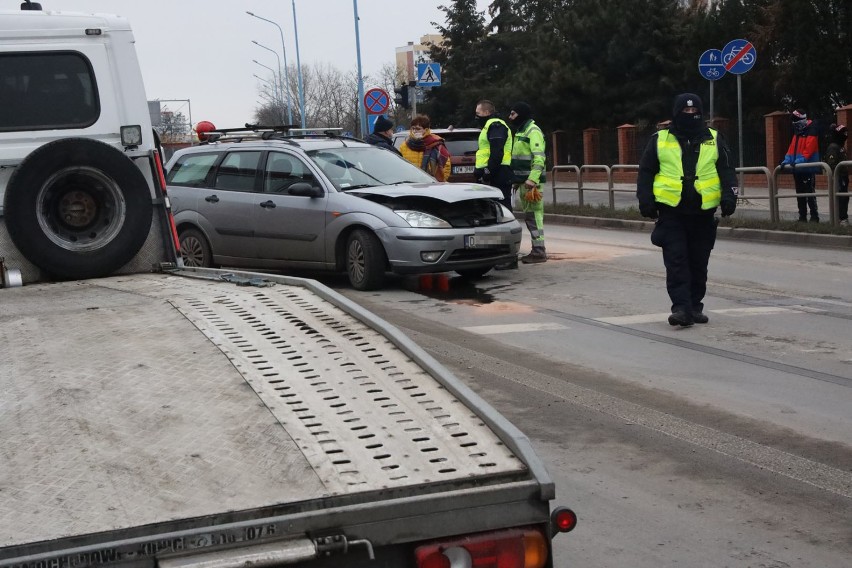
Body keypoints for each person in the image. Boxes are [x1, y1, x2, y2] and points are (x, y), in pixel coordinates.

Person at [636, 93, 738, 327]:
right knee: (677, 261)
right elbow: (646, 172)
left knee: (698, 262)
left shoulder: (714, 138)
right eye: (686, 111)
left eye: (695, 112)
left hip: (703, 213)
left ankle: (694, 306)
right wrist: (646, 200)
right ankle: (681, 308)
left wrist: (729, 197)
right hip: (672, 212)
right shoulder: (660, 139)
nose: (690, 115)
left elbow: (727, 171)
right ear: (676, 113)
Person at [509, 101, 547, 265]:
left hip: (532, 184)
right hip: (524, 183)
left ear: (521, 114)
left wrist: (533, 178)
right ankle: (537, 250)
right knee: (530, 216)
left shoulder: (533, 131)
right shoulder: (521, 131)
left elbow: (539, 158)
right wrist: (518, 181)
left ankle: (539, 251)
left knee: (534, 216)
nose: (510, 117)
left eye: (513, 114)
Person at [780, 109, 821, 222]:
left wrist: (799, 160)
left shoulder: (811, 130)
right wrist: (786, 160)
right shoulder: (797, 133)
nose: (794, 123)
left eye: (795, 120)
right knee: (800, 193)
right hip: (797, 167)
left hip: (807, 167)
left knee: (809, 192)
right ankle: (802, 216)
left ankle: (814, 216)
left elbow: (809, 150)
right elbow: (791, 149)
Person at [473, 100, 513, 208]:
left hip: (498, 173)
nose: (476, 117)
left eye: (478, 113)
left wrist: (488, 171)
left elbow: (497, 152)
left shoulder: (496, 126)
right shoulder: (488, 126)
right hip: (490, 174)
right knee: (489, 209)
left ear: (486, 113)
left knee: (501, 209)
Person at [399, 115, 451, 181]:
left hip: (432, 185)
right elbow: (400, 165)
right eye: (413, 128)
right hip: (410, 184)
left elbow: (446, 165)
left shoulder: (437, 144)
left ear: (426, 130)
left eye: (418, 129)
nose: (414, 131)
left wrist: (439, 181)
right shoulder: (404, 145)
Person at [825, 123, 849, 225]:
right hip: (838, 177)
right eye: (844, 133)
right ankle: (840, 218)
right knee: (841, 198)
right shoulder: (833, 147)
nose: (846, 135)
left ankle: (842, 217)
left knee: (844, 197)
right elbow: (831, 164)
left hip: (844, 177)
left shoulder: (841, 146)